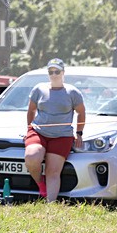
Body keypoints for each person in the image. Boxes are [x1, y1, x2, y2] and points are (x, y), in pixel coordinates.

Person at [24, 58, 86, 202]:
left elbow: (81, 113)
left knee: (53, 171)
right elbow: (31, 110)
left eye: (57, 71)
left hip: (62, 136)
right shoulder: (39, 89)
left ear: (63, 72)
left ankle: (50, 205)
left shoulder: (72, 92)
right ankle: (41, 183)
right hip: (39, 132)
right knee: (32, 157)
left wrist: (79, 133)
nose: (53, 74)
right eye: (50, 72)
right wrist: (29, 128)